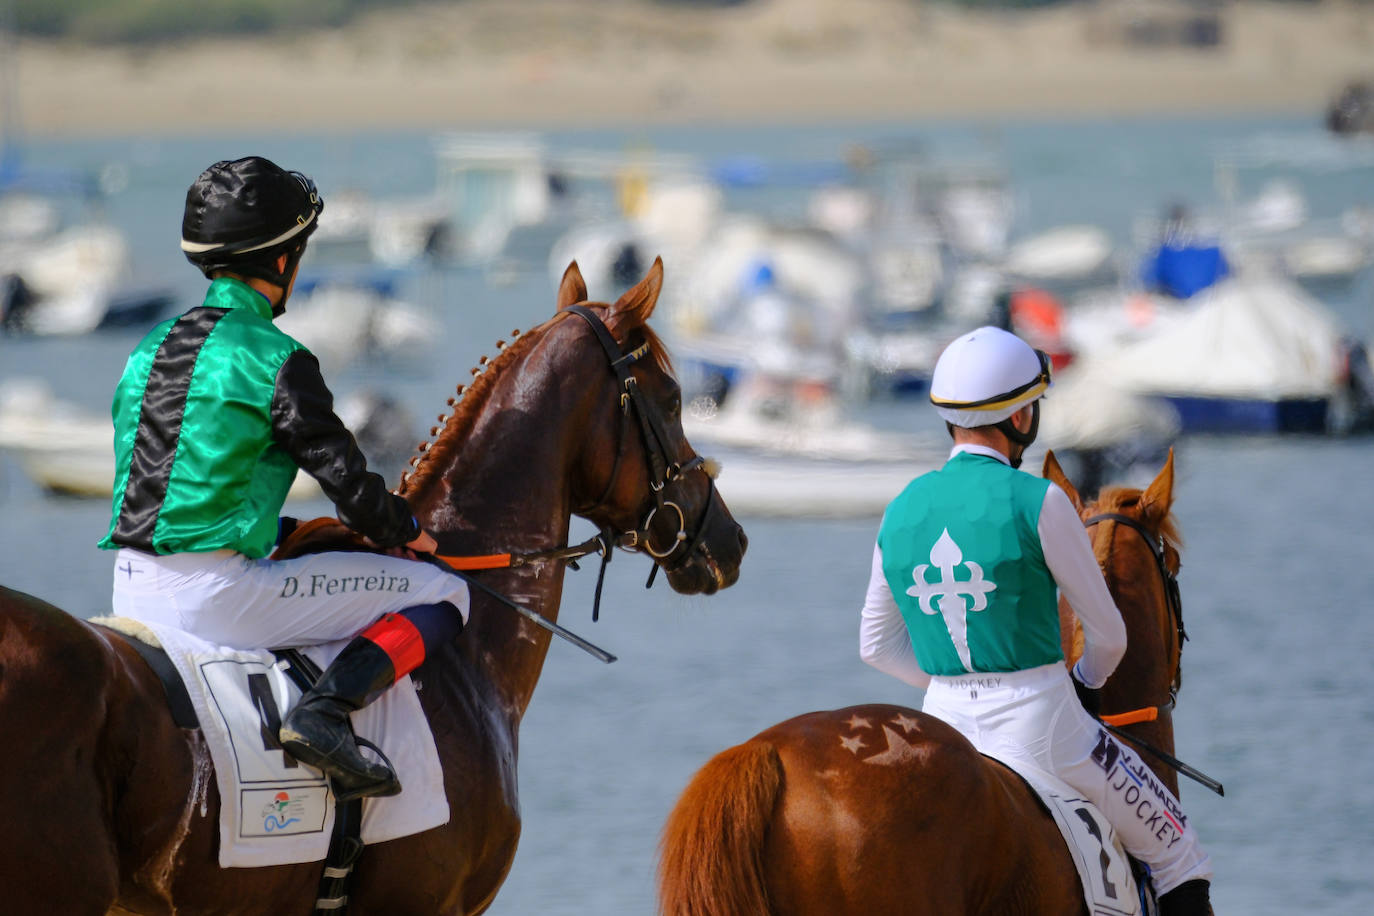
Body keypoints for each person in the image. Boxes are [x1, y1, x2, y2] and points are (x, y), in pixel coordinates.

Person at [100, 156, 468, 803]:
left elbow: (181, 485)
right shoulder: (278, 358)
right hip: (215, 598)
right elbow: (353, 489)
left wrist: (280, 526)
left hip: (129, 589)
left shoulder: (147, 346)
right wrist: (409, 532)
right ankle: (323, 716)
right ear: (280, 262)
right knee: (443, 594)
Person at [858, 326, 1213, 915]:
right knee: (1179, 852)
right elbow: (1109, 637)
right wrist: (1084, 685)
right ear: (1020, 418)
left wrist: (952, 684)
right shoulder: (1040, 501)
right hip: (1044, 726)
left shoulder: (901, 508)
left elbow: (874, 645)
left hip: (941, 725)